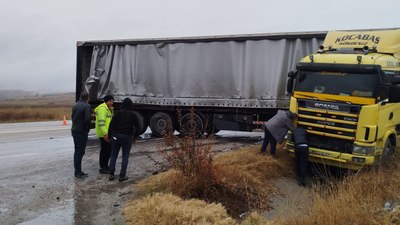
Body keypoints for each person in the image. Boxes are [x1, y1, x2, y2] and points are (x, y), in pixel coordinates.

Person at [108, 98, 138, 182]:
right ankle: (122, 175)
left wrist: (110, 136)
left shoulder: (117, 113)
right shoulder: (133, 115)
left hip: (116, 136)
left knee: (113, 155)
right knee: (125, 156)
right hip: (127, 137)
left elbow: (111, 125)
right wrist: (135, 137)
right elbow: (138, 127)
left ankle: (111, 174)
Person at [71, 92, 92, 180]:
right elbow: (87, 119)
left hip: (74, 130)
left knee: (77, 151)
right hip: (81, 132)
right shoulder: (87, 106)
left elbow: (72, 117)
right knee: (80, 152)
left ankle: (78, 171)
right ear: (87, 98)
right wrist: (87, 130)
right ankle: (78, 173)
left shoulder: (75, 105)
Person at [94, 94, 114, 174]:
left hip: (107, 133)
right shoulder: (102, 109)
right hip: (104, 134)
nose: (112, 103)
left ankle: (105, 165)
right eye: (110, 101)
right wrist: (105, 134)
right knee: (105, 151)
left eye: (112, 101)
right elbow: (101, 123)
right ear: (106, 101)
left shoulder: (107, 109)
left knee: (108, 150)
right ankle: (103, 167)